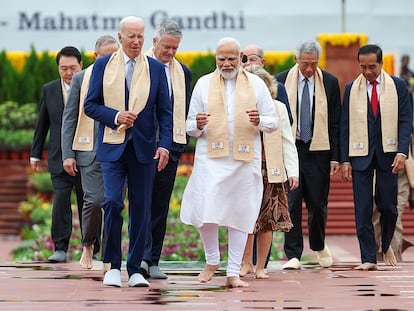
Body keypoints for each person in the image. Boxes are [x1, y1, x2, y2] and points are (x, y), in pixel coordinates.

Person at [180, 37, 278, 288]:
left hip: (245, 161)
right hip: (211, 160)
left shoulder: (256, 84)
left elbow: (273, 121)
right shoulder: (203, 84)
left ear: (241, 59)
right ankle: (212, 260)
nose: (226, 64)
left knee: (240, 215)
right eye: (221, 59)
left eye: (231, 59)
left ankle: (233, 272)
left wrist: (259, 121)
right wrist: (198, 125)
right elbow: (189, 126)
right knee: (205, 213)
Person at [84, 16, 172, 287]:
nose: (136, 41)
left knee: (141, 209)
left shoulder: (156, 69)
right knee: (111, 202)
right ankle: (112, 265)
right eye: (131, 36)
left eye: (140, 36)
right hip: (112, 146)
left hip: (144, 149)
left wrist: (165, 145)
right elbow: (90, 106)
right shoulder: (102, 65)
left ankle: (135, 269)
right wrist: (116, 116)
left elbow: (166, 113)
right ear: (120, 37)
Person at [340, 44, 412, 270]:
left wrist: (402, 151)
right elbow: (344, 125)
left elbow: (405, 121)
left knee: (388, 207)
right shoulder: (352, 88)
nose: (368, 71)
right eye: (363, 67)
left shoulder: (398, 86)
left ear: (381, 64)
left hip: (389, 154)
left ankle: (387, 243)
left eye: (372, 66)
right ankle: (368, 258)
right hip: (360, 154)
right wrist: (344, 159)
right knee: (362, 208)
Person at [276, 40, 341, 270]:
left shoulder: (330, 82)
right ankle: (293, 254)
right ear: (296, 60)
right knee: (292, 202)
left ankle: (318, 244)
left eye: (314, 64)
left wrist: (335, 156)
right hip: (292, 148)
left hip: (319, 151)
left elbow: (335, 122)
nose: (310, 69)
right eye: (305, 64)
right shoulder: (282, 80)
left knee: (317, 203)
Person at [61, 35, 119, 269]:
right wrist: (68, 153)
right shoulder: (81, 78)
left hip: (118, 149)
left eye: (116, 56)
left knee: (114, 204)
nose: (112, 61)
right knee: (93, 201)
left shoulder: (125, 77)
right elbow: (70, 117)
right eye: (106, 56)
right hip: (89, 150)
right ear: (96, 56)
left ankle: (109, 254)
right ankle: (88, 246)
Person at [140, 20, 192, 279]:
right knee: (141, 203)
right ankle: (139, 257)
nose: (170, 53)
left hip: (171, 147)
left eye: (175, 48)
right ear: (154, 42)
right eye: (166, 47)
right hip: (142, 146)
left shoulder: (184, 72)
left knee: (160, 204)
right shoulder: (140, 66)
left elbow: (183, 110)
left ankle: (153, 259)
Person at [240, 64, 298, 279]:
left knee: (267, 220)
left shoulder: (278, 108)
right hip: (245, 168)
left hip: (270, 169)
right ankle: (245, 263)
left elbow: (287, 142)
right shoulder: (239, 107)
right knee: (245, 218)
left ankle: (261, 267)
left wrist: (292, 172)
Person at [30, 46, 84, 263]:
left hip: (85, 157)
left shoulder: (91, 87)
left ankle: (93, 248)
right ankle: (60, 248)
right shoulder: (49, 89)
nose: (69, 73)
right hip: (58, 157)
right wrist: (35, 153)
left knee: (87, 205)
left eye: (73, 68)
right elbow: (42, 124)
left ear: (81, 65)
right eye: (64, 68)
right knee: (60, 202)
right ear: (58, 68)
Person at [241, 44, 293, 124]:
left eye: (252, 59)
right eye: (244, 60)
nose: (248, 63)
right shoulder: (236, 86)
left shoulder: (277, 87)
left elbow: (287, 119)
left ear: (262, 62)